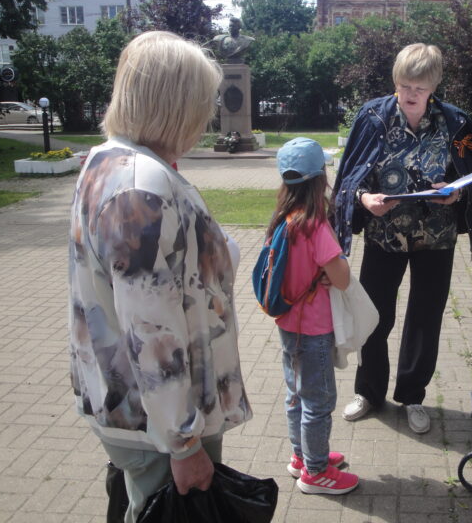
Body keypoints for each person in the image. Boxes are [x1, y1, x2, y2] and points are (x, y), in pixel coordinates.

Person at [68, 31, 252, 522]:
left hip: (140, 409)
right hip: (158, 422)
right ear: (174, 104)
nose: (207, 116)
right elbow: (149, 329)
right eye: (202, 102)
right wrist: (183, 442)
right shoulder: (139, 186)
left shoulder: (111, 161)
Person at [332, 43, 472, 434]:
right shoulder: (372, 117)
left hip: (436, 238)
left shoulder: (457, 123)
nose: (409, 94)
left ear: (433, 86)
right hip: (384, 235)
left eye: (419, 89)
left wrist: (455, 192)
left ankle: (412, 396)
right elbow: (349, 176)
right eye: (404, 85)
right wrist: (363, 199)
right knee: (374, 316)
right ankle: (369, 393)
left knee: (425, 319)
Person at [268, 137, 360, 495]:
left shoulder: (284, 219)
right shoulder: (316, 225)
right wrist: (337, 265)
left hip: (288, 326)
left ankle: (301, 456)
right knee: (319, 402)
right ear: (321, 178)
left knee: (296, 395)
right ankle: (317, 471)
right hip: (314, 331)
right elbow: (342, 278)